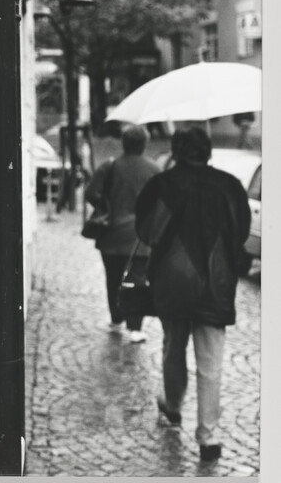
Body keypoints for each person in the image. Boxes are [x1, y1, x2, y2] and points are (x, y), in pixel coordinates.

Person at [135, 126, 250, 462]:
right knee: (210, 362)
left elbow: (146, 231)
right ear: (208, 150)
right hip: (216, 283)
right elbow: (241, 232)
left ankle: (172, 405)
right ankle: (208, 437)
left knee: (173, 348)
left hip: (172, 282)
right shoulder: (230, 186)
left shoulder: (161, 184)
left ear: (176, 150)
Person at [85, 125, 160, 343]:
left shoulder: (110, 166)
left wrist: (106, 205)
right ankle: (135, 327)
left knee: (113, 278)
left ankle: (116, 319)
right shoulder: (154, 170)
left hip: (112, 234)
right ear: (144, 144)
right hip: (141, 238)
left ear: (123, 143)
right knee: (137, 280)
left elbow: (91, 193)